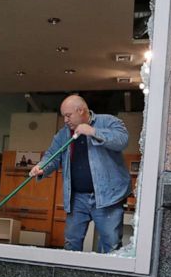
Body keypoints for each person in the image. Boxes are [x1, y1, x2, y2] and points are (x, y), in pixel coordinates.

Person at [30, 95, 130, 253]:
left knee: (110, 245)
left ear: (81, 111)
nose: (65, 120)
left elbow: (122, 140)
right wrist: (42, 166)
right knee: (71, 243)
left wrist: (93, 131)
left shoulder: (109, 122)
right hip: (77, 198)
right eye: (64, 116)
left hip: (108, 197)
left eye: (68, 115)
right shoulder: (63, 134)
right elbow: (52, 156)